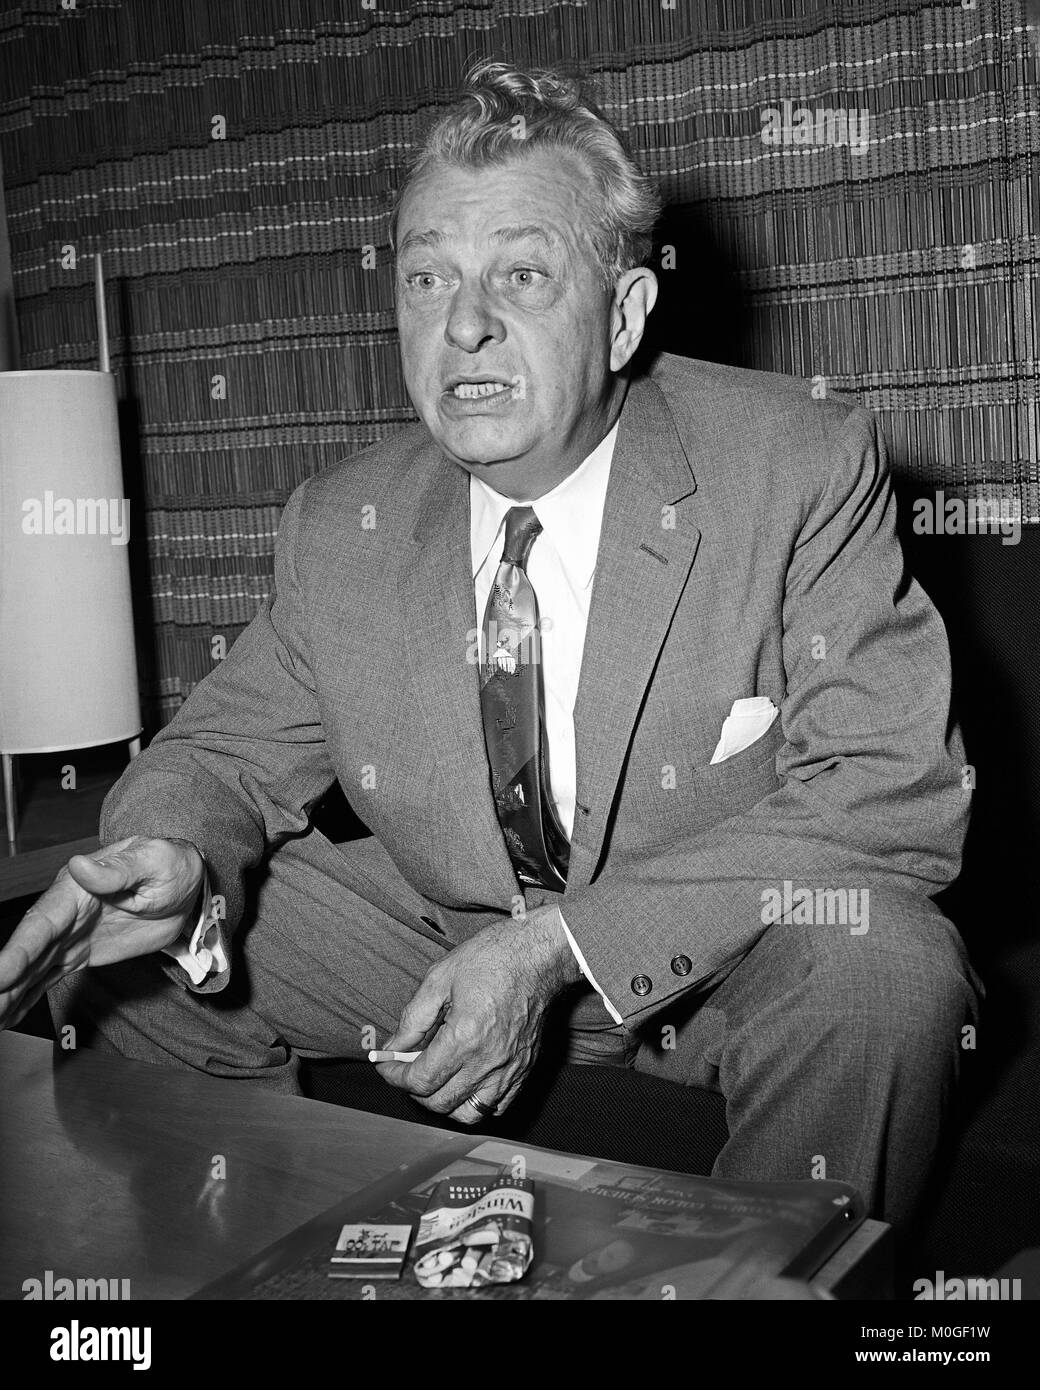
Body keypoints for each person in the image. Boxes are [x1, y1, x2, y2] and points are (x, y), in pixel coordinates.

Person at [0, 61, 979, 1228]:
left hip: (725, 960)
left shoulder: (792, 464)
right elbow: (217, 752)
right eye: (427, 276)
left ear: (621, 315)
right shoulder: (343, 520)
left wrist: (558, 949)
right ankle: (271, 1260)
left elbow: (892, 792)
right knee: (132, 976)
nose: (463, 322)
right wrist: (172, 854)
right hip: (443, 931)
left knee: (882, 967)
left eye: (521, 272)